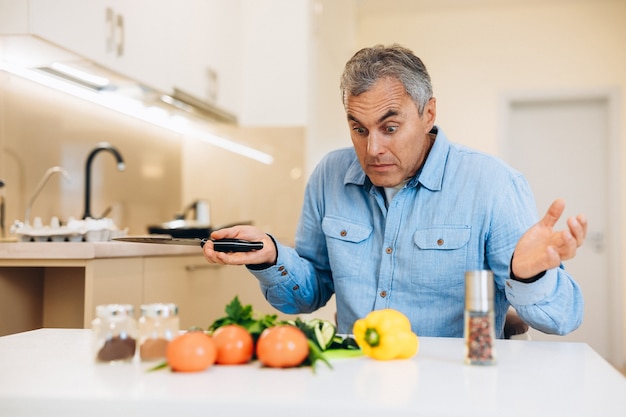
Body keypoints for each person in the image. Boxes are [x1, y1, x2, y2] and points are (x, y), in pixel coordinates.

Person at [203, 44, 587, 338]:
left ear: (428, 114)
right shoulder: (329, 176)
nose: (372, 150)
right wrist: (270, 256)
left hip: (455, 387)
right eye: (358, 129)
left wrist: (528, 276)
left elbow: (564, 319)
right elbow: (310, 293)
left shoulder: (492, 185)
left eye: (389, 128)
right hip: (357, 377)